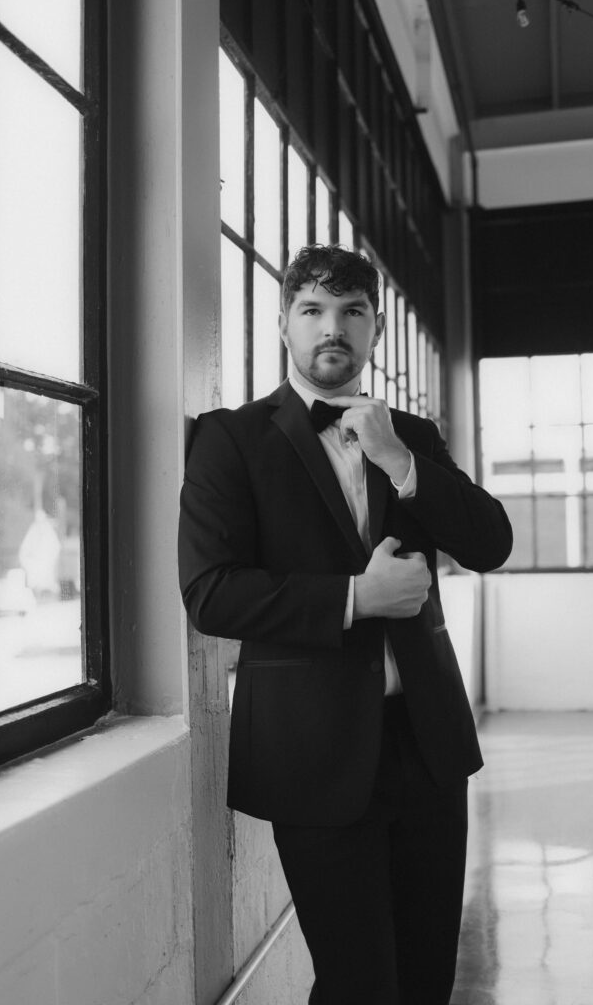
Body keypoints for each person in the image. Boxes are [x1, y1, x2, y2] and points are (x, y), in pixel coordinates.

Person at [178, 245, 512, 1005]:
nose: (333, 328)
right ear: (284, 324)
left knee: (426, 975)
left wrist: (401, 463)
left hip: (427, 746)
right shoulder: (229, 440)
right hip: (313, 751)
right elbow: (210, 593)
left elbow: (490, 543)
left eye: (352, 312)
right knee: (360, 984)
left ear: (374, 330)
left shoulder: (412, 437)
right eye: (313, 310)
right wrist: (356, 599)